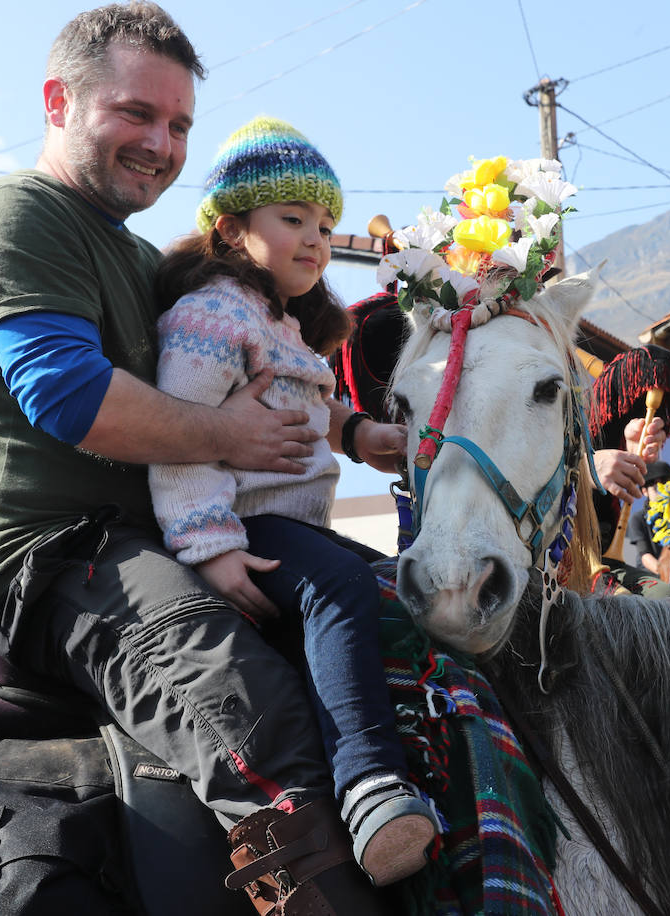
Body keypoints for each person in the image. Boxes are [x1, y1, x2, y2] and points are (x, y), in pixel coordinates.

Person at [0, 6, 394, 912]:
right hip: (48, 556)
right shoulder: (11, 217)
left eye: (178, 125)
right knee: (252, 711)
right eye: (136, 113)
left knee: (393, 619)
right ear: (59, 100)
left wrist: (361, 433)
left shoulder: (147, 261)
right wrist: (229, 438)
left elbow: (272, 373)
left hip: (159, 536)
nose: (161, 144)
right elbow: (68, 396)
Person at [149, 116, 436, 885]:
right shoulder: (210, 317)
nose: (316, 238)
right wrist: (212, 547)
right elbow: (184, 438)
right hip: (245, 520)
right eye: (293, 219)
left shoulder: (282, 325)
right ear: (232, 228)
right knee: (339, 587)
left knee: (387, 584)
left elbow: (313, 408)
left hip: (292, 518)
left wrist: (360, 433)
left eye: (324, 224)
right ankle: (369, 785)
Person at [626, 460, 670, 572]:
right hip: (650, 575)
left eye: (666, 487)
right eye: (656, 489)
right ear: (645, 491)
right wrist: (667, 575)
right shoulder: (638, 518)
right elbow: (645, 557)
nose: (662, 493)